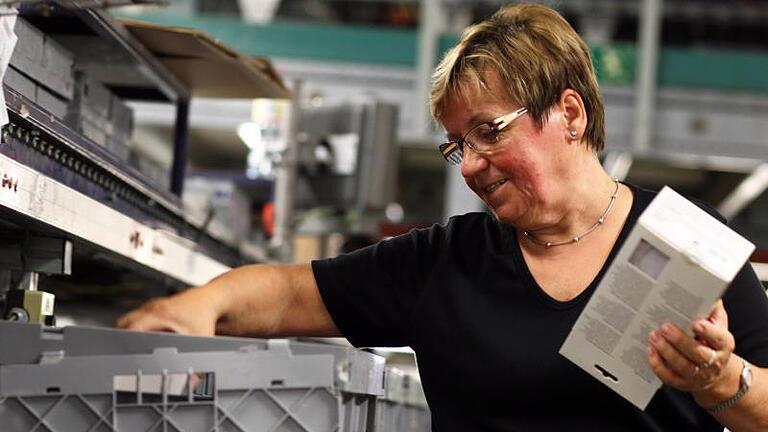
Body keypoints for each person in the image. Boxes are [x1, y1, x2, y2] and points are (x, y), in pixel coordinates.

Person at [118, 4, 768, 431]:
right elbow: (291, 292)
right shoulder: (445, 262)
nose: (470, 165)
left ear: (569, 114)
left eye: (489, 132)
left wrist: (724, 382)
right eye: (458, 145)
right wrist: (200, 307)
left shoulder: (690, 240)